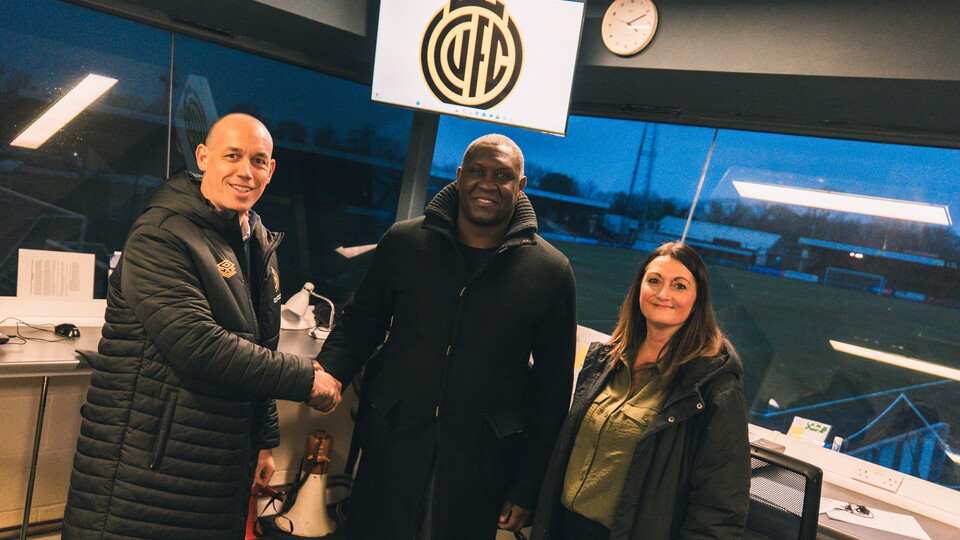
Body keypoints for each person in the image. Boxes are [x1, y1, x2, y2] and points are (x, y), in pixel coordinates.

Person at [62, 113, 342, 539]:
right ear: (204, 157)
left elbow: (259, 343)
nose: (245, 171)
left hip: (220, 461)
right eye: (232, 156)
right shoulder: (160, 234)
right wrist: (306, 378)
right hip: (146, 465)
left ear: (271, 169)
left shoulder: (257, 240)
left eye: (258, 160)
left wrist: (263, 441)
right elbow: (198, 344)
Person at [317, 134, 578, 539]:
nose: (487, 183)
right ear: (458, 177)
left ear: (521, 185)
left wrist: (528, 484)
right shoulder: (405, 242)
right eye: (476, 171)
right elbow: (362, 322)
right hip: (393, 444)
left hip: (481, 461)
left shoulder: (551, 271)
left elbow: (552, 387)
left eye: (502, 175)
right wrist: (328, 372)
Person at [531, 242, 750, 540]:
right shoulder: (604, 360)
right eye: (654, 281)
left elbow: (720, 509)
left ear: (698, 301)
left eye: (680, 285)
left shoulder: (715, 390)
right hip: (564, 527)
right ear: (639, 290)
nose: (663, 294)